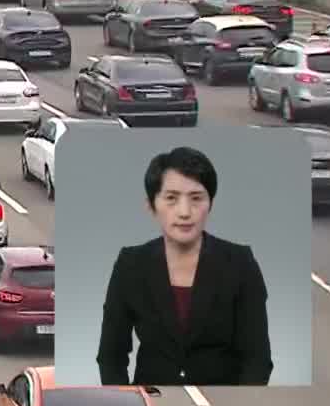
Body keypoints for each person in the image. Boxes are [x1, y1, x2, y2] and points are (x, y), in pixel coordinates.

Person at [96, 146, 272, 386]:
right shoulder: (130, 265)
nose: (185, 212)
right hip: (152, 404)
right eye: (171, 198)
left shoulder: (241, 263)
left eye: (196, 198)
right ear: (151, 205)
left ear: (210, 203)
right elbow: (111, 356)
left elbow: (257, 359)